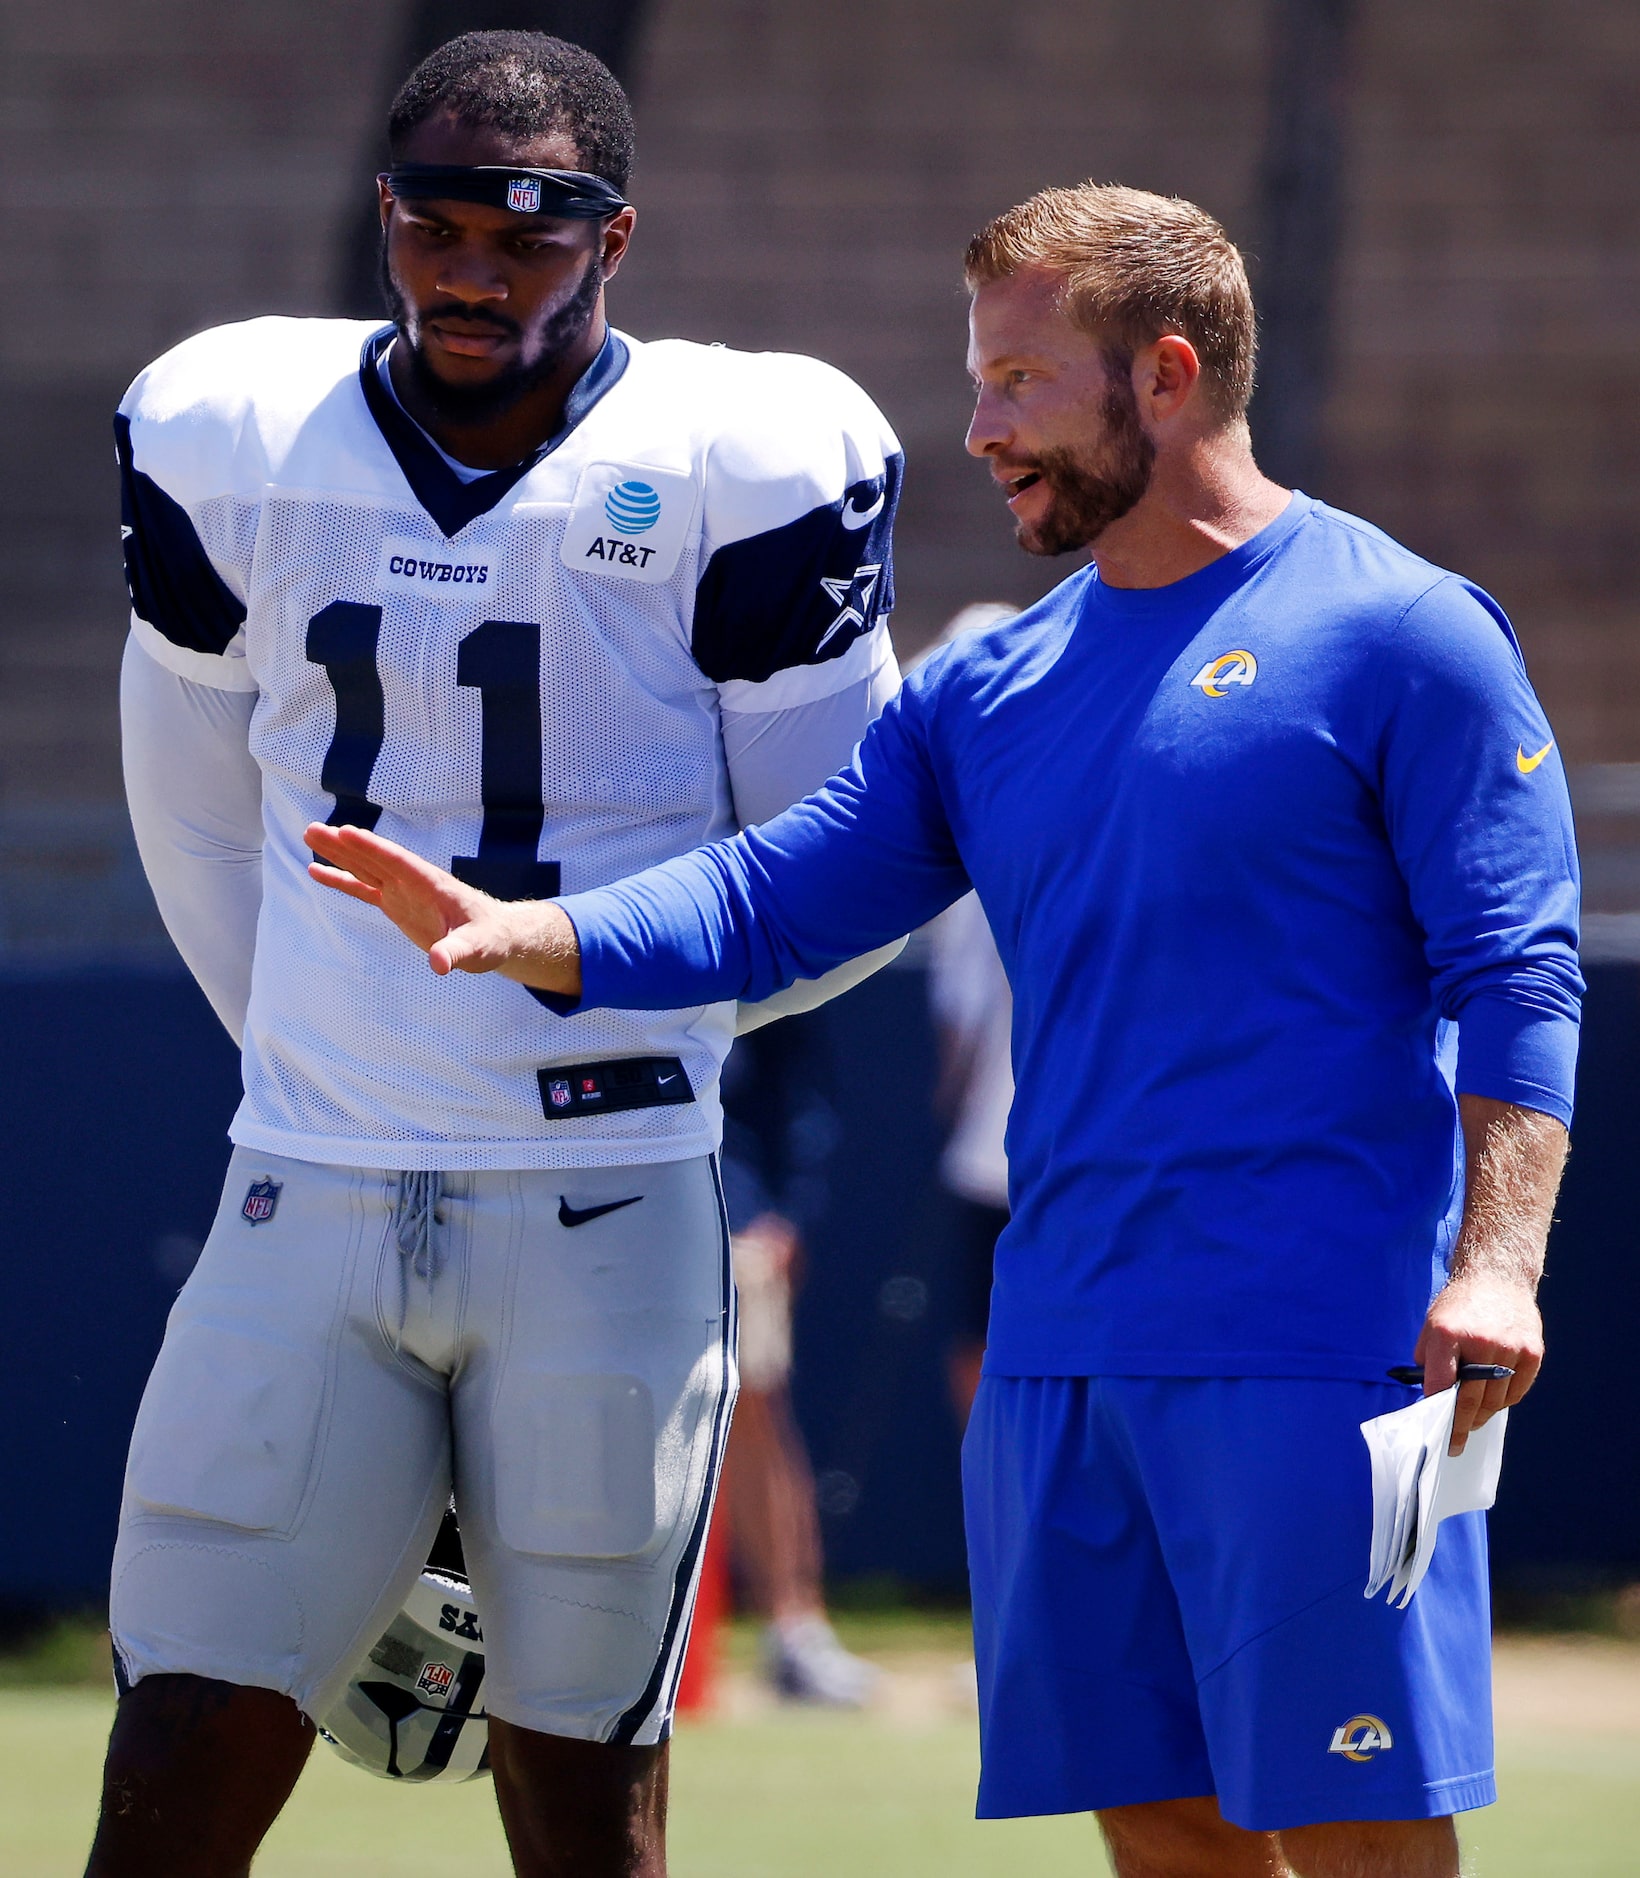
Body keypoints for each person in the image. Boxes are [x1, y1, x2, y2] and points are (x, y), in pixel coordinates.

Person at [310, 181, 1583, 1878]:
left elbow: (1520, 966)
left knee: (1357, 1831)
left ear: (1171, 375)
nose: (978, 430)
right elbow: (775, 898)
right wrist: (532, 931)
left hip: (1318, 1349)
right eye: (977, 382)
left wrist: (1499, 1258)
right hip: (1060, 1354)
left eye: (1019, 383)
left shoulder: (1404, 632)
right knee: (1170, 1830)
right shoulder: (988, 690)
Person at [100, 29, 903, 1877]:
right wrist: (329, 1041)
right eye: (437, 223)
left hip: (606, 1196)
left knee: (583, 1789)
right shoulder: (238, 434)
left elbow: (829, 873)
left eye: (527, 237)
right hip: (307, 1175)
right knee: (177, 1750)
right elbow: (198, 817)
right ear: (386, 215)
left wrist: (576, 975)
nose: (474, 269)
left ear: (613, 240)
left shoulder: (740, 460)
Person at [716, 1016, 879, 1704]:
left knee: (754, 1410)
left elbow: (800, 1087)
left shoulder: (747, 922)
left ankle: (795, 1628)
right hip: (597, 1201)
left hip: (738, 1212)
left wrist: (785, 1210)